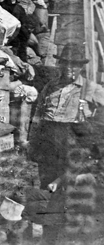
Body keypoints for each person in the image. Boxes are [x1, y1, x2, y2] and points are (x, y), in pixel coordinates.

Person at [28, 45, 89, 191]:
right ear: (60, 64)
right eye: (66, 63)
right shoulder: (50, 86)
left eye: (74, 65)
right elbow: (38, 114)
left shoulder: (89, 89)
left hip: (71, 138)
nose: (69, 68)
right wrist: (32, 140)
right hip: (48, 136)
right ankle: (46, 209)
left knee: (69, 180)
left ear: (81, 67)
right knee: (46, 179)